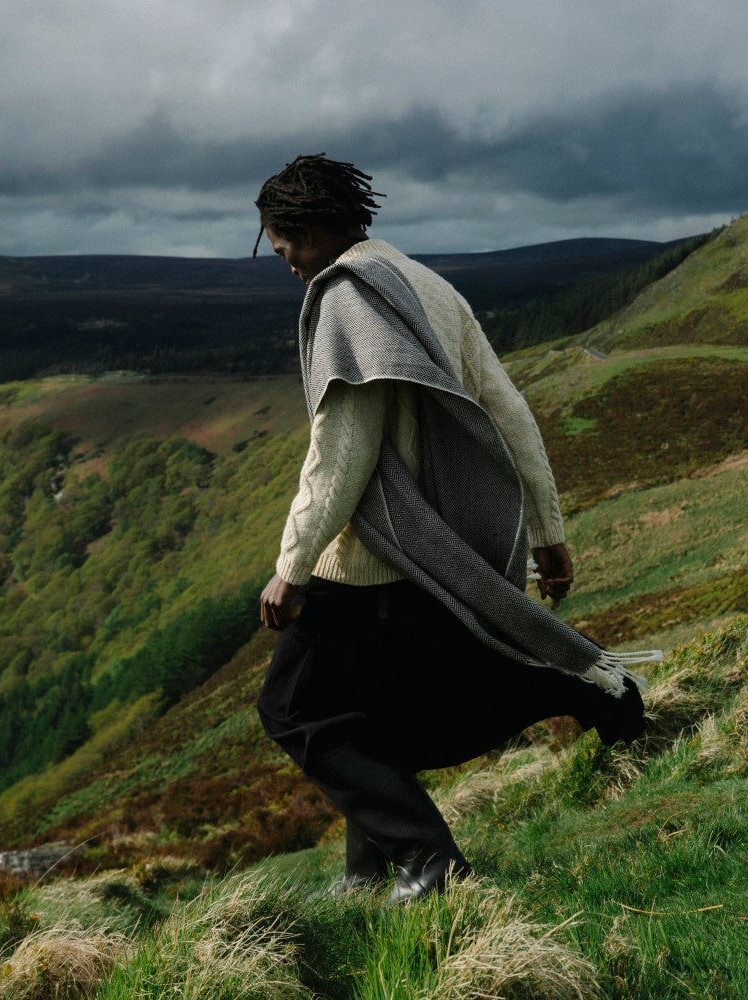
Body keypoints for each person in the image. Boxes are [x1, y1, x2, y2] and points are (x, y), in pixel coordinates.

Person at [251, 153, 651, 903]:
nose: (292, 268)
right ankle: (367, 875)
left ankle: (428, 862)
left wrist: (292, 565)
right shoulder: (424, 283)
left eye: (287, 250)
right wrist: (547, 528)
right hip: (429, 550)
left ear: (314, 228)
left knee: (293, 709)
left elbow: (342, 448)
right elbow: (507, 410)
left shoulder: (346, 298)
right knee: (381, 710)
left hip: (365, 558)